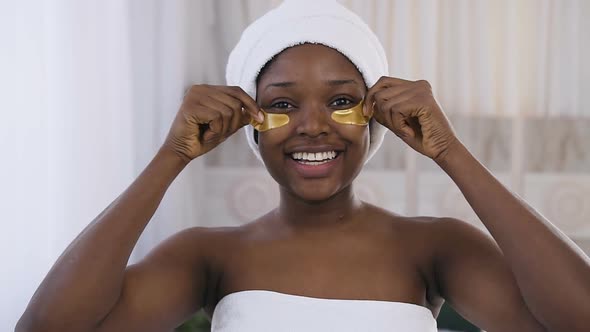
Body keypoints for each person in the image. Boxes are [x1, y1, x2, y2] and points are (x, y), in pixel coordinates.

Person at [17, 1, 590, 331]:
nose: (312, 125)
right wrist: (171, 158)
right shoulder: (207, 255)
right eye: (282, 105)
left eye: (341, 101)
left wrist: (451, 151)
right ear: (250, 123)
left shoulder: (435, 247)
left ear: (375, 116)